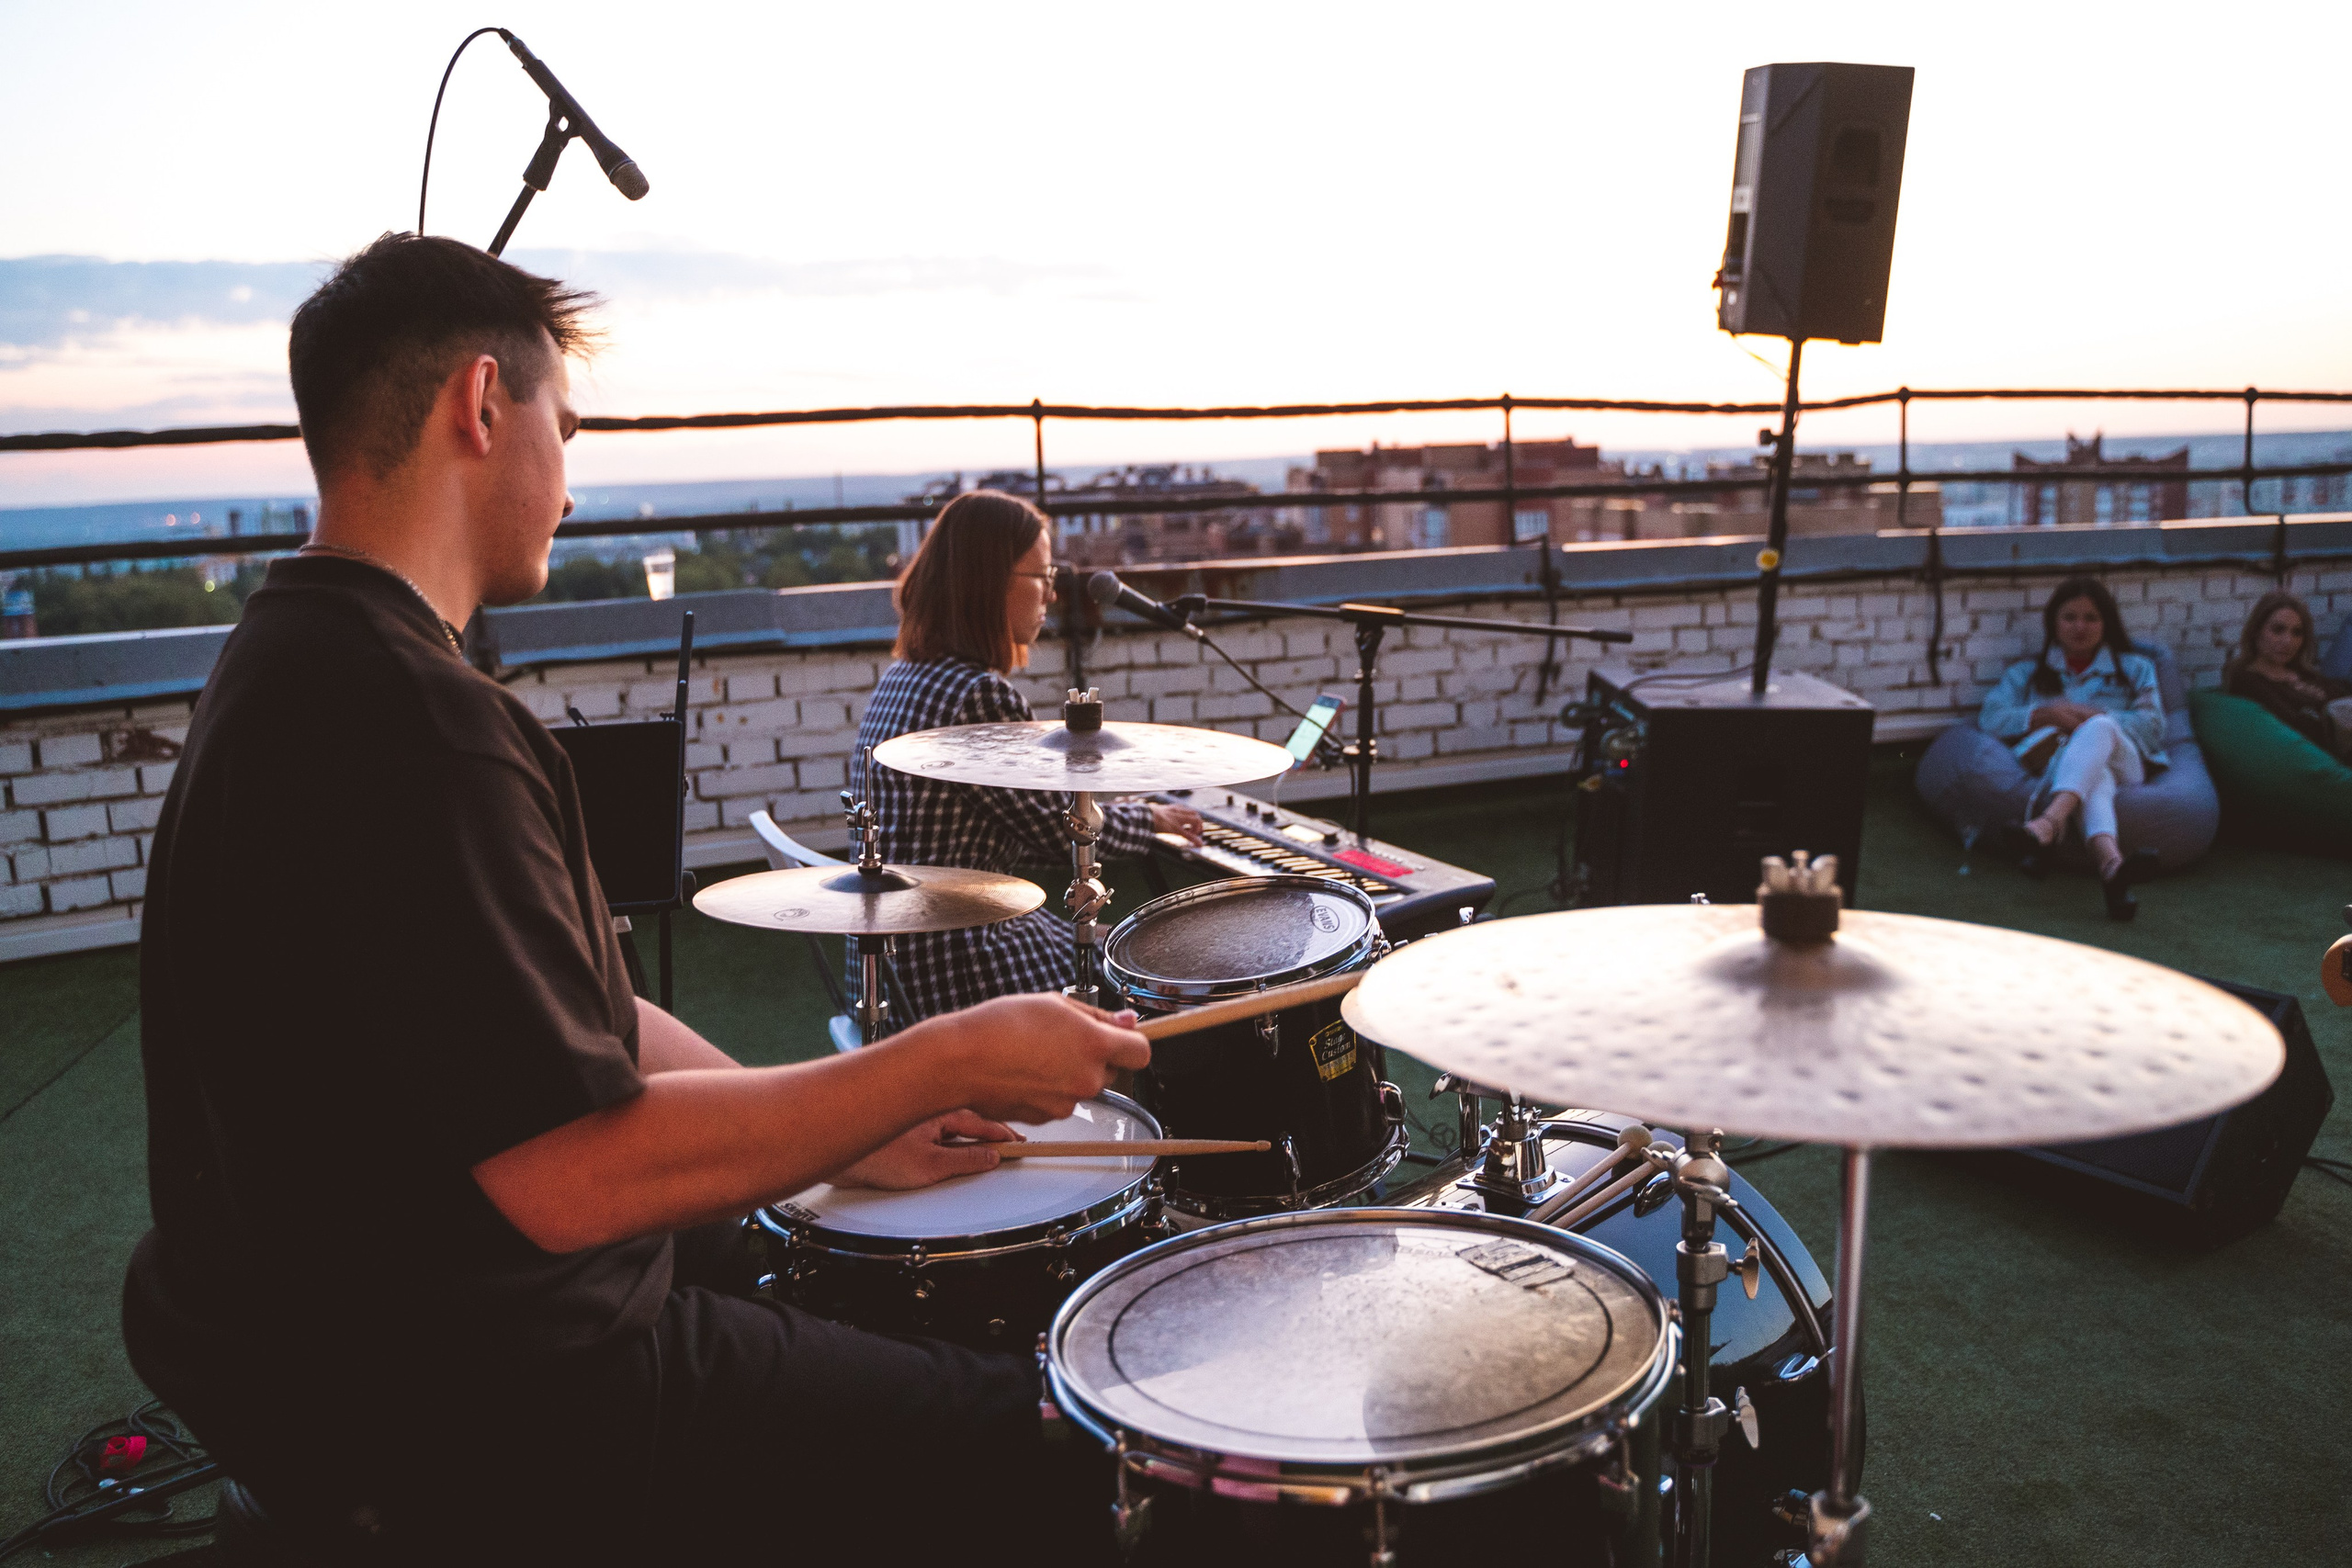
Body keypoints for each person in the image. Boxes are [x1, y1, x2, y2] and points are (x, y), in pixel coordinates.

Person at [121, 235, 1146, 1564]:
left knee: (851, 1292)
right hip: (495, 1396)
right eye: (568, 424)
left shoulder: (281, 660)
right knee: (1049, 1431)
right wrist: (942, 1053)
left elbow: (563, 1017)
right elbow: (569, 1172)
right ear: (483, 405)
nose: (570, 477)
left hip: (347, 1332)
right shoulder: (418, 726)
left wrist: (849, 1130)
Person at [850, 490, 1204, 1021]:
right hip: (957, 962)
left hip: (894, 964)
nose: (1052, 596)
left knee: (1115, 950)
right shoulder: (976, 695)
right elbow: (1054, 829)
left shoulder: (904, 677)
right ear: (987, 584)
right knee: (1155, 983)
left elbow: (1021, 816)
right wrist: (1151, 819)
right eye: (1042, 578)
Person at [1978, 576, 2167, 919]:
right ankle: (2112, 866)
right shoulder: (2028, 674)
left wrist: (2093, 716)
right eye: (2069, 617)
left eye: (2091, 618)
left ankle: (2048, 824)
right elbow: (1991, 717)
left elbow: (2154, 728)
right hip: (2073, 767)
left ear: (2106, 623)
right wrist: (2045, 714)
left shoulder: (2136, 669)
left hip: (2127, 764)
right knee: (2095, 778)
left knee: (2099, 728)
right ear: (2054, 622)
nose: (2080, 627)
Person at [2223, 590, 2352, 758]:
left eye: (2297, 633)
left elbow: (2342, 690)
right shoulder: (2247, 679)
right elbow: (2298, 728)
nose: (2288, 641)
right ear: (2256, 632)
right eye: (2278, 630)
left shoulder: (2303, 673)